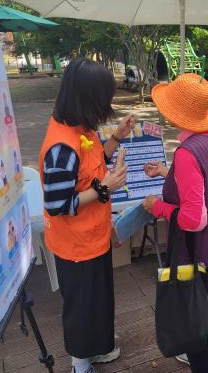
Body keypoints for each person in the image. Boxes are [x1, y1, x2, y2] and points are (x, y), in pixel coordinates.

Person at [39, 58, 134, 373]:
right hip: (76, 246)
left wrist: (116, 138)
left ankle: (98, 349)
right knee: (82, 308)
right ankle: (80, 364)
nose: (107, 107)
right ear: (88, 99)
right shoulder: (61, 148)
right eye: (103, 100)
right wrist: (105, 188)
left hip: (94, 236)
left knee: (98, 300)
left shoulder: (81, 127)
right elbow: (58, 203)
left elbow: (90, 166)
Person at [142, 73, 208, 373]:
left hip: (195, 251)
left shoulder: (186, 153)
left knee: (195, 326)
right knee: (200, 312)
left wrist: (158, 207)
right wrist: (167, 172)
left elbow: (194, 219)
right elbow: (203, 183)